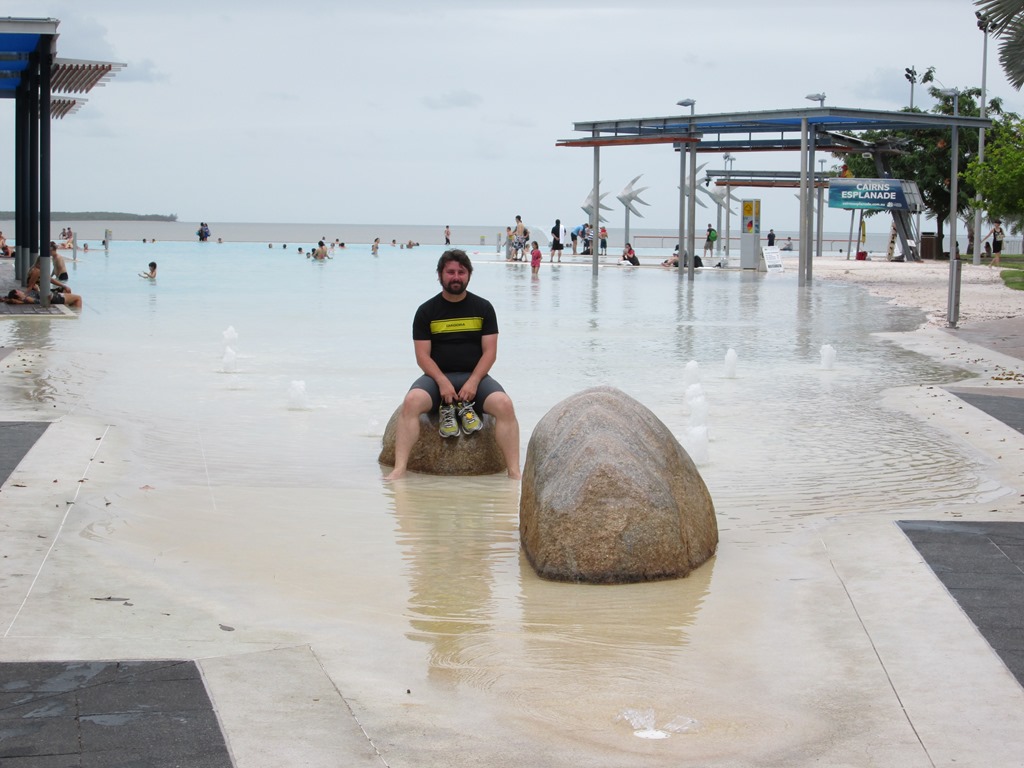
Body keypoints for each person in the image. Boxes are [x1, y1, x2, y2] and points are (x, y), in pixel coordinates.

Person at [384, 249, 521, 481]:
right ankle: (399, 469)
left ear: (469, 275)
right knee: (411, 402)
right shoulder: (426, 311)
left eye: (461, 272)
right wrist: (441, 382)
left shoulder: (483, 308)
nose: (456, 277)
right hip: (436, 378)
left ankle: (514, 472)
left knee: (505, 405)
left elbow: (490, 353)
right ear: (440, 275)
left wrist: (474, 381)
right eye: (450, 272)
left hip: (475, 378)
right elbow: (422, 356)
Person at [5, 287, 82, 308]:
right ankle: (78, 314)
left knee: (72, 297)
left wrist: (37, 289)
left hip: (53, 296)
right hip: (54, 298)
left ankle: (75, 310)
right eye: (18, 291)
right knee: (78, 298)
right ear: (17, 293)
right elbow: (38, 302)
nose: (20, 291)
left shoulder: (25, 297)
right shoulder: (26, 298)